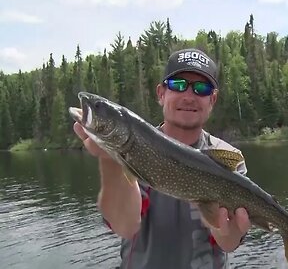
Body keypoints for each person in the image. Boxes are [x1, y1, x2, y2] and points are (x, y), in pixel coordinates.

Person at [73, 48, 252, 269]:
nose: (189, 96)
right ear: (161, 94)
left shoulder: (230, 158)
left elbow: (228, 242)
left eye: (201, 88)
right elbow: (125, 226)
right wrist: (110, 158)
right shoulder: (137, 148)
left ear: (212, 100)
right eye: (178, 85)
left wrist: (228, 231)